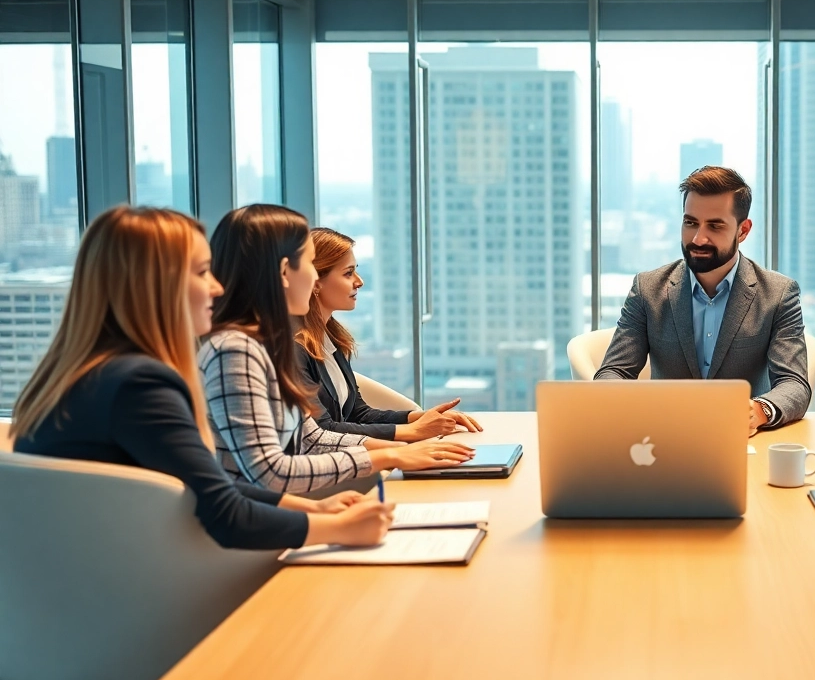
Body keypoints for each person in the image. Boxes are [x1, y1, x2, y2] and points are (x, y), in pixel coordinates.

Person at [11, 207, 395, 551]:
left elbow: (206, 484)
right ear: (155, 287)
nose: (216, 286)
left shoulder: (99, 376)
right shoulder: (139, 385)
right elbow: (225, 515)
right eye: (201, 273)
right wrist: (338, 528)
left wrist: (314, 509)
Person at [200, 204, 474, 494]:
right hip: (264, 522)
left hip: (285, 506)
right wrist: (394, 452)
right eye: (309, 263)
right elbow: (270, 473)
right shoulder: (237, 351)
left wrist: (408, 447)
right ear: (284, 272)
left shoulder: (267, 344)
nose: (313, 277)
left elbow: (312, 439)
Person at [594, 166, 811, 436]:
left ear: (743, 230)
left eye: (715, 226)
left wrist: (759, 410)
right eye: (691, 223)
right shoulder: (648, 289)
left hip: (743, 440)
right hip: (661, 440)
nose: (698, 238)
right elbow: (613, 372)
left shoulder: (778, 294)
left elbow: (794, 383)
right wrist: (637, 407)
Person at [294, 227, 481, 440]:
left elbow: (357, 413)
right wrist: (411, 432)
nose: (359, 281)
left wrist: (419, 418)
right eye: (348, 273)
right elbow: (322, 432)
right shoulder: (294, 349)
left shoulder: (332, 340)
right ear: (315, 281)